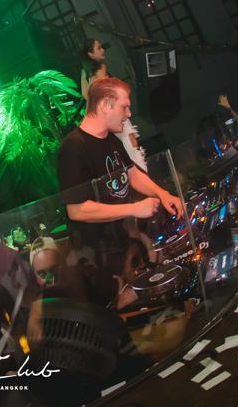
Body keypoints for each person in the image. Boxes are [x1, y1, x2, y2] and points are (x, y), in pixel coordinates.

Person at [57, 77, 182, 301]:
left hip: (123, 248)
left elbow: (132, 174)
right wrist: (134, 209)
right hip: (99, 260)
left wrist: (163, 194)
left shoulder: (111, 139)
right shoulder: (73, 147)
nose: (128, 114)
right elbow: (76, 210)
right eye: (124, 107)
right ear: (105, 105)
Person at [78, 39, 147, 171]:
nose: (102, 50)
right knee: (131, 144)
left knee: (120, 149)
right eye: (98, 48)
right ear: (91, 54)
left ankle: (132, 173)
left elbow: (86, 96)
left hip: (102, 117)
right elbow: (110, 91)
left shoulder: (84, 72)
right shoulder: (101, 68)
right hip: (114, 112)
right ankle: (140, 174)